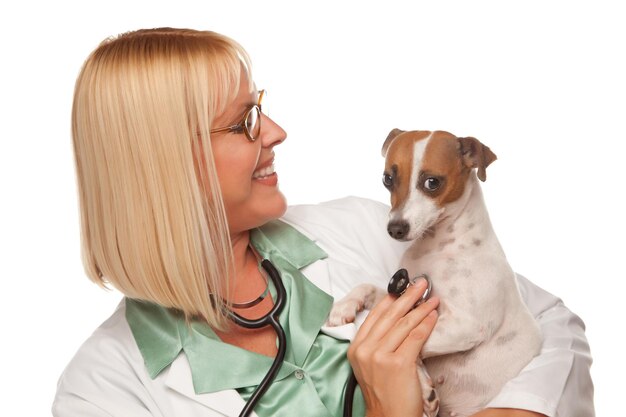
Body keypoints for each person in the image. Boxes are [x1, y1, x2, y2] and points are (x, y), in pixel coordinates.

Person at [53, 28, 594, 417]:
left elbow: (548, 325)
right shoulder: (101, 393)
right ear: (162, 162)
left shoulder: (363, 230)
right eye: (244, 121)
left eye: (260, 107)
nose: (277, 131)